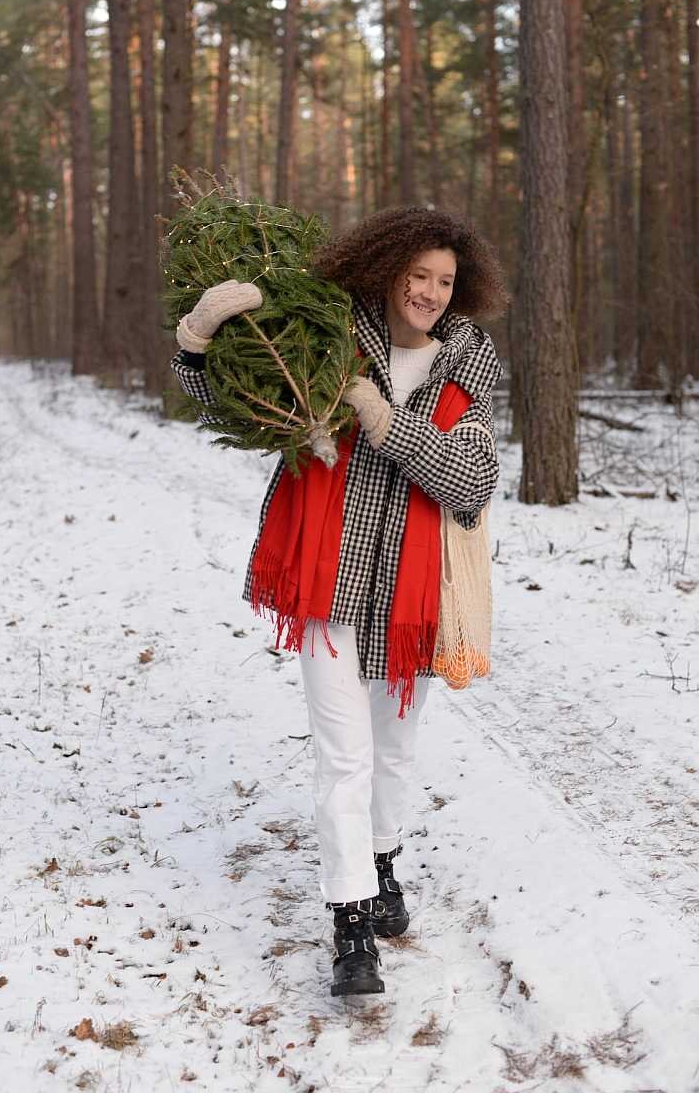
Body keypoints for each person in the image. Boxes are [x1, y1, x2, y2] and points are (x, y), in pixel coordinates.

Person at [172, 205, 507, 998]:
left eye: (443, 281)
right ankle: (351, 922)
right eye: (417, 274)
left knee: (394, 751)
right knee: (345, 757)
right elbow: (235, 405)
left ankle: (383, 857)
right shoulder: (329, 338)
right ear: (387, 269)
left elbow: (471, 482)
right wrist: (196, 341)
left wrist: (382, 418)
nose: (428, 291)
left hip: (420, 592)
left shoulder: (469, 366)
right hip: (330, 582)